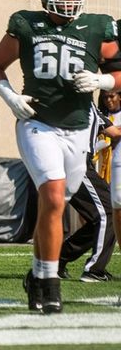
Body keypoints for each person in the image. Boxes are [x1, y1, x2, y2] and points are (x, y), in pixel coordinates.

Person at [0, 0, 120, 314]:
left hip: (77, 130)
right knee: (54, 195)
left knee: (55, 203)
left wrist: (104, 83)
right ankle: (48, 281)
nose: (71, 1)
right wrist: (11, 98)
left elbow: (119, 72)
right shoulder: (26, 24)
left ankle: (36, 274)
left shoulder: (97, 27)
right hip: (37, 123)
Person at [58, 102, 117, 282]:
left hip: (85, 164)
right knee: (109, 211)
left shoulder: (90, 105)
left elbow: (113, 132)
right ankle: (94, 270)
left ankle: (56, 259)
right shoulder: (70, 101)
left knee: (101, 217)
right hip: (76, 163)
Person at [100, 90, 121, 260]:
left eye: (111, 96)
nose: (108, 100)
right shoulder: (102, 115)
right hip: (104, 167)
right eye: (105, 97)